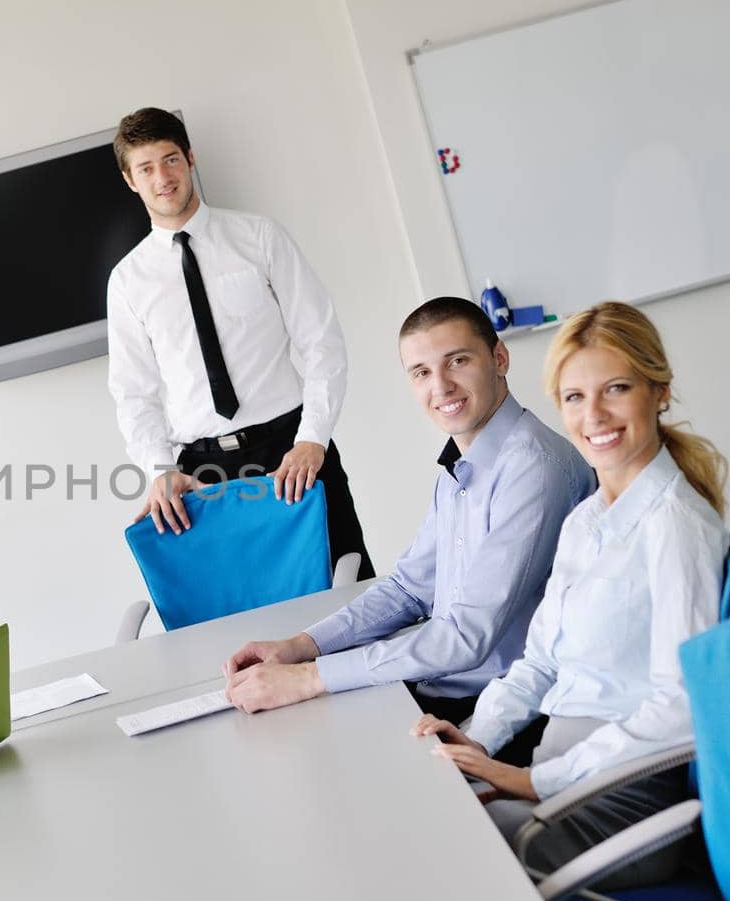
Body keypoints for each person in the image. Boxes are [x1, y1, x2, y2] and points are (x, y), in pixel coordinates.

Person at [413, 301, 730, 886]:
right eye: (575, 397)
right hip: (559, 773)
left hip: (621, 797)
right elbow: (537, 665)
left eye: (616, 389)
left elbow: (681, 709)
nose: (595, 415)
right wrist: (476, 740)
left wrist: (534, 782)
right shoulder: (586, 521)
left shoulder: (676, 527)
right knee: (420, 819)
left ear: (658, 392)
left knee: (436, 864)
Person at [222, 298, 595, 764]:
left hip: (506, 713)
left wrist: (311, 678)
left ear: (499, 358)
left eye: (457, 361)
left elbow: (464, 638)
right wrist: (299, 648)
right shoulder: (463, 466)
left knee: (315, 765)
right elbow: (406, 590)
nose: (441, 386)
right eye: (421, 372)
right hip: (444, 689)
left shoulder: (533, 469)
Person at [105, 106, 373, 577]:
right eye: (145, 168)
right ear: (130, 180)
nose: (162, 177)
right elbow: (133, 392)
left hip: (293, 451)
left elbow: (322, 341)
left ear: (190, 158)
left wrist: (314, 439)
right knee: (239, 616)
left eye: (170, 159)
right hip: (202, 476)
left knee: (348, 597)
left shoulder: (259, 237)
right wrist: (159, 468)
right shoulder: (128, 281)